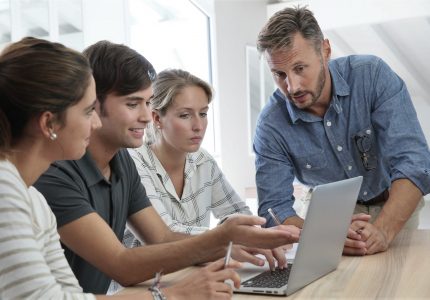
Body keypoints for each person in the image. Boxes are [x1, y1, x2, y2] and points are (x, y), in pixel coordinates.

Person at [34, 40, 300, 294]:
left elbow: (161, 237)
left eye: (147, 102)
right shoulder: (56, 173)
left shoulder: (121, 161)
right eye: (132, 103)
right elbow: (122, 266)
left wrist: (229, 243)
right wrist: (221, 240)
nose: (144, 116)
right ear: (93, 103)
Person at [0, 37, 243, 300]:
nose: (93, 124)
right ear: (49, 124)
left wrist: (224, 244)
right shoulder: (11, 189)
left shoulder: (32, 199)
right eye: (86, 111)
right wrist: (170, 295)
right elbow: (116, 266)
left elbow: (67, 293)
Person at [253, 6, 430, 256]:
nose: (292, 87)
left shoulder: (372, 75)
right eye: (279, 74)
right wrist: (325, 236)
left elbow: (414, 163)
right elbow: (274, 209)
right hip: (323, 215)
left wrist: (383, 230)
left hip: (394, 203)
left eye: (300, 68)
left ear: (325, 50)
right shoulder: (270, 125)